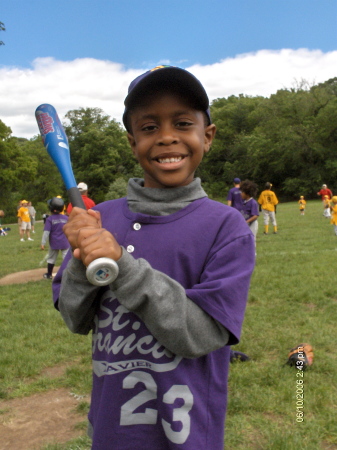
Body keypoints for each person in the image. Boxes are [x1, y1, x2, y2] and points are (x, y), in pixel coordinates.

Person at [52, 65, 255, 449]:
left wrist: (122, 266)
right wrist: (82, 261)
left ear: (206, 136)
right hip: (110, 432)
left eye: (181, 123)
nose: (166, 138)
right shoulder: (103, 218)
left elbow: (202, 334)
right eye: (149, 127)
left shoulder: (226, 227)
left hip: (186, 435)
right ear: (132, 143)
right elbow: (74, 318)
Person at [41, 197, 70, 279]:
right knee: (66, 259)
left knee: (51, 259)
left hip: (54, 243)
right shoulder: (66, 218)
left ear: (52, 209)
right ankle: (67, 274)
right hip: (65, 242)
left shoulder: (50, 219)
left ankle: (49, 274)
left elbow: (46, 232)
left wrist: (43, 243)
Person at [240, 180, 259, 245]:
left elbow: (255, 215)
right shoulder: (244, 202)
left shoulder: (253, 202)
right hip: (246, 224)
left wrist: (247, 222)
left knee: (252, 240)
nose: (241, 193)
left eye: (242, 192)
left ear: (247, 194)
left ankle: (253, 254)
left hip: (252, 224)